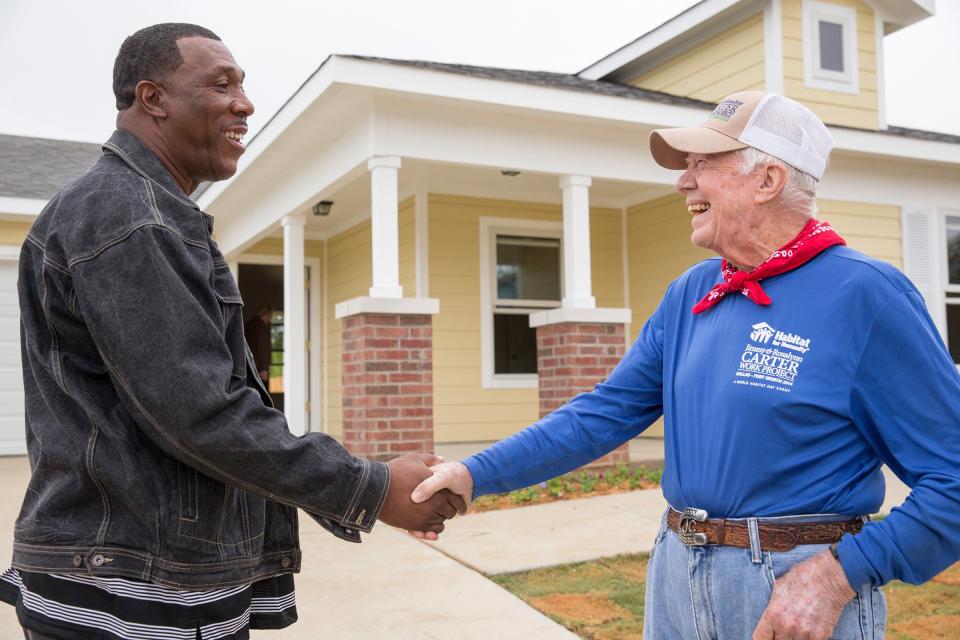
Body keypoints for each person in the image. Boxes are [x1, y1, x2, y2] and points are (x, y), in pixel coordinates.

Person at [413, 91, 960, 639]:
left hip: (792, 591)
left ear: (767, 180)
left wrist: (840, 574)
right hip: (677, 572)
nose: (683, 181)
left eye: (704, 164)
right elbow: (604, 413)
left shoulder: (867, 294)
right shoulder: (692, 293)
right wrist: (474, 473)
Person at [2, 23, 463, 640]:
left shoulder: (149, 211)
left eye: (243, 86)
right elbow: (201, 412)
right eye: (221, 84)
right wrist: (370, 486)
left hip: (142, 578)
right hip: (130, 595)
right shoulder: (131, 216)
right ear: (153, 98)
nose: (244, 103)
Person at [244, 305, 272, 382]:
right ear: (266, 315)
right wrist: (264, 368)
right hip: (259, 367)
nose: (270, 320)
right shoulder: (262, 327)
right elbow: (262, 348)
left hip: (248, 363)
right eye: (270, 316)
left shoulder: (249, 325)